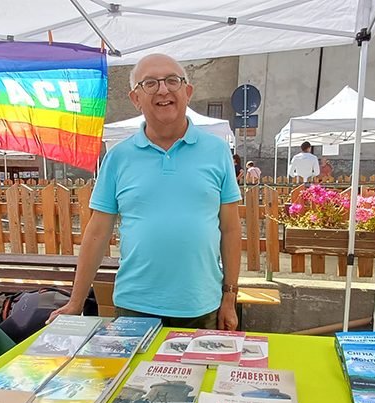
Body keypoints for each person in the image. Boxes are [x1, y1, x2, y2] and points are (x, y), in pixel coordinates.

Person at [49, 53, 242, 330]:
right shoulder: (118, 157)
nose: (163, 90)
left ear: (187, 92)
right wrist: (76, 302)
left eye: (172, 81)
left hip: (202, 306)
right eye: (149, 83)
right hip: (134, 308)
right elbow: (97, 232)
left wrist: (229, 298)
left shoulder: (217, 151)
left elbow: (232, 230)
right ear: (135, 98)